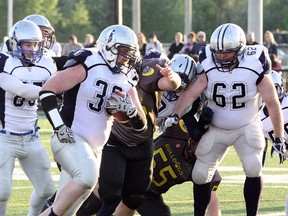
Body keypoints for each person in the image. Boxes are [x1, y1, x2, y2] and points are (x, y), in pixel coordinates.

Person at [163, 23, 284, 215]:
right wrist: (174, 114)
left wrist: (279, 137)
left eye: (226, 53)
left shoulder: (255, 61)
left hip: (246, 125)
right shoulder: (208, 61)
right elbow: (191, 93)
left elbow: (272, 101)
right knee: (200, 174)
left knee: (253, 167)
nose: (220, 56)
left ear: (240, 50)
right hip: (216, 127)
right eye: (217, 52)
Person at [39, 24, 147, 216]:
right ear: (108, 47)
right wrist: (58, 126)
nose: (127, 58)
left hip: (94, 149)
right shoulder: (90, 62)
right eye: (123, 52)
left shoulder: (126, 76)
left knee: (67, 211)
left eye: (130, 53)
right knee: (87, 178)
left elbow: (141, 124)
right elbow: (47, 90)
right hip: (70, 137)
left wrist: (130, 111)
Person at [97, 50, 181, 216]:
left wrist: (171, 77)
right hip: (115, 140)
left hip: (142, 143)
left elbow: (172, 84)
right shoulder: (104, 71)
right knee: (108, 197)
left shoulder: (147, 72)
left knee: (134, 198)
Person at [137, 54, 222, 216]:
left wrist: (202, 124)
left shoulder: (187, 105)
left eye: (183, 82)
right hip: (136, 133)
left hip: (146, 139)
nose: (178, 86)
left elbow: (193, 129)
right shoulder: (158, 82)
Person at [0, 20, 56, 216]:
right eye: (27, 44)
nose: (32, 49)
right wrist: (50, 91)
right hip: (4, 137)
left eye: (35, 44)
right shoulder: (4, 62)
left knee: (47, 189)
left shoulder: (48, 63)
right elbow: (21, 89)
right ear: (15, 43)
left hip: (31, 137)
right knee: (2, 191)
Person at [260, 70, 288, 165]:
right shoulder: (258, 115)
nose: (269, 94)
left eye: (273, 89)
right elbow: (261, 147)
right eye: (264, 90)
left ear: (280, 88)